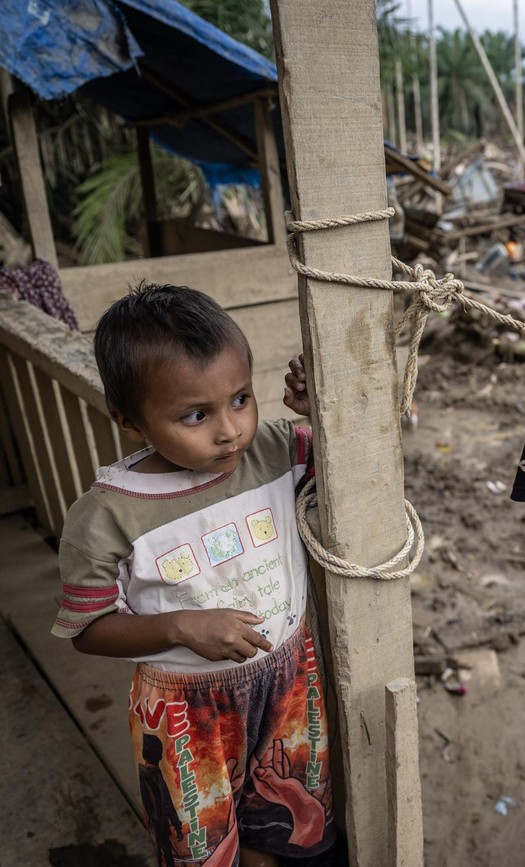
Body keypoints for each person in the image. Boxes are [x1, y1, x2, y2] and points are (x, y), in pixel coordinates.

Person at [51, 282, 337, 867]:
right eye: (196, 415)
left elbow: (346, 463)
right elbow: (87, 628)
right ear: (130, 421)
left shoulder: (277, 453)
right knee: (202, 841)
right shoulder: (106, 517)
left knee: (283, 816)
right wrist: (180, 626)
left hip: (289, 678)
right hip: (187, 712)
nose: (230, 429)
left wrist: (324, 411)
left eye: (240, 399)